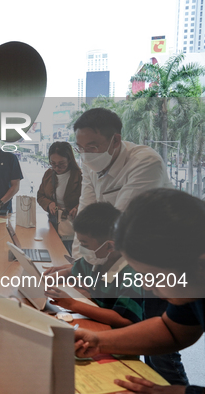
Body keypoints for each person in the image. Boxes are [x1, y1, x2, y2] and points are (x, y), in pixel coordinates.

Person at [74, 188, 203, 393]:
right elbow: (171, 330)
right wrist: (98, 341)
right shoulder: (190, 288)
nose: (146, 285)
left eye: (151, 274)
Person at [45, 202, 188, 385]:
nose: (145, 284)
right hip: (142, 328)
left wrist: (73, 304)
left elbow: (128, 320)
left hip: (146, 324)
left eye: (84, 244)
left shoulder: (130, 272)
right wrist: (60, 275)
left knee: (164, 362)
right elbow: (76, 269)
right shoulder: (98, 259)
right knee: (153, 365)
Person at [72, 107, 172, 257]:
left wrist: (82, 267)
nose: (85, 155)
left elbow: (119, 225)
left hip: (155, 252)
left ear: (116, 141)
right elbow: (84, 214)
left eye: (92, 147)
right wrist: (76, 262)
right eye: (80, 148)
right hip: (117, 250)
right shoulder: (89, 164)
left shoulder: (145, 162)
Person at [37, 141, 82, 254]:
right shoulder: (48, 174)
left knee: (70, 258)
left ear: (70, 159)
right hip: (53, 222)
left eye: (61, 163)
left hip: (74, 225)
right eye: (53, 163)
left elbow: (90, 198)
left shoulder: (80, 175)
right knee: (53, 254)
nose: (57, 167)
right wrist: (49, 204)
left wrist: (78, 207)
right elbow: (40, 195)